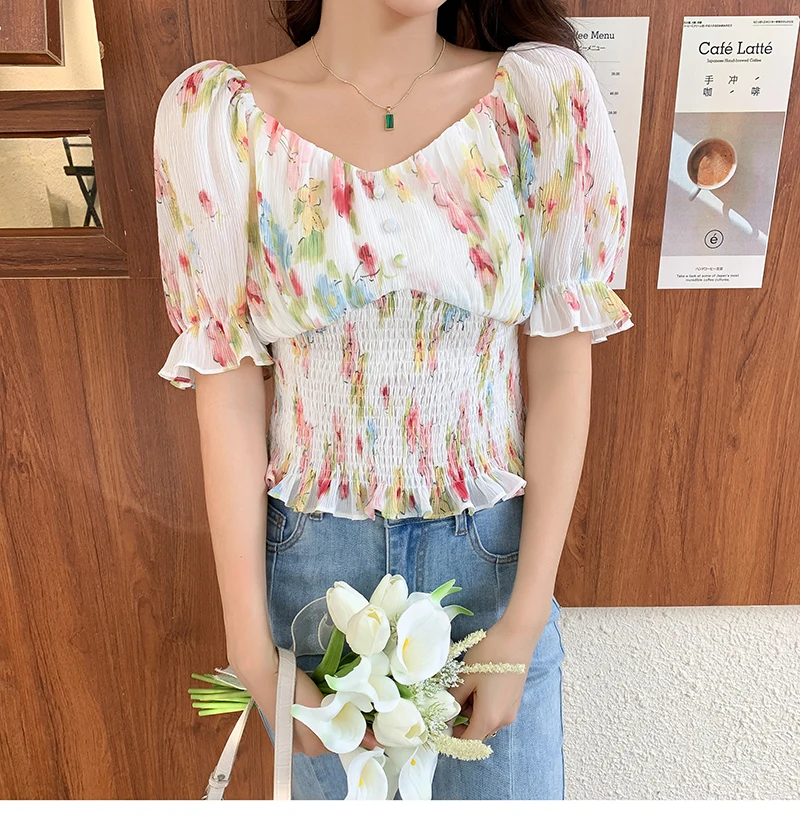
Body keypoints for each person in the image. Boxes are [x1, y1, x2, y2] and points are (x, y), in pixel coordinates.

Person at [152, 0, 633, 800]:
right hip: (311, 574)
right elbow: (225, 380)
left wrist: (522, 623)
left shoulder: (542, 98)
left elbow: (561, 367)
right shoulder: (218, 118)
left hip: (494, 570)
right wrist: (250, 645)